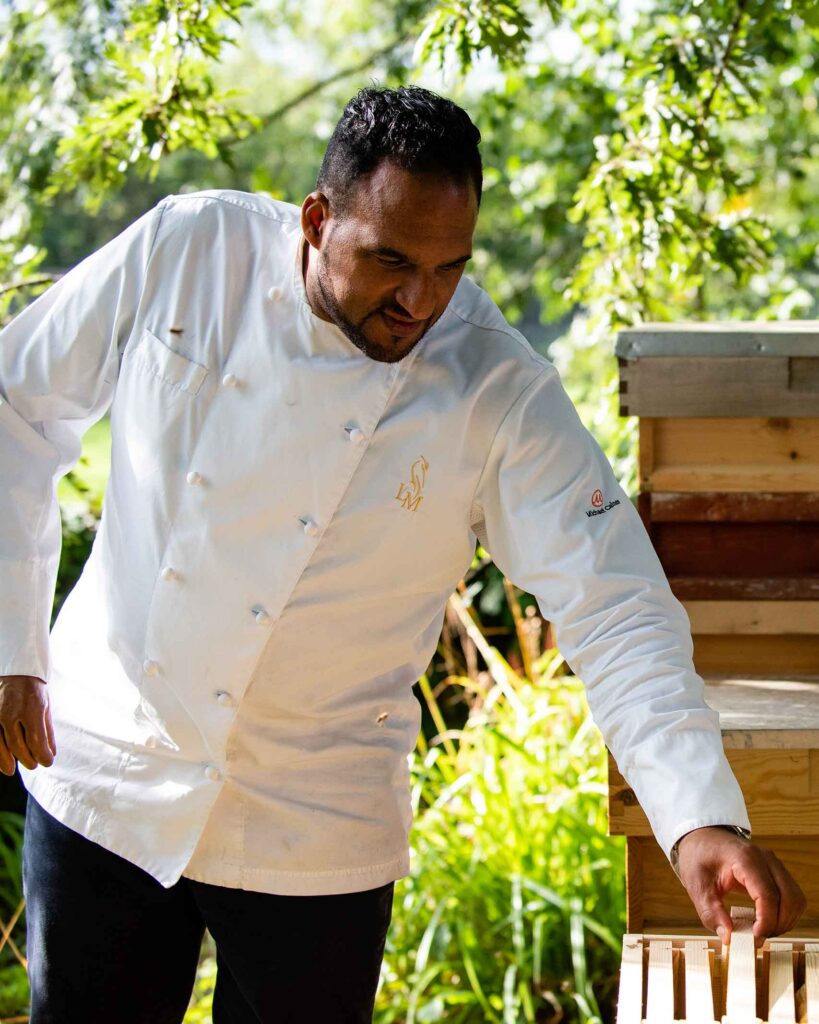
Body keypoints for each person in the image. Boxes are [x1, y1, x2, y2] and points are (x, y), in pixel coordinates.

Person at [0, 85, 805, 1023]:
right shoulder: (188, 250)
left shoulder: (496, 386)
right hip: (110, 772)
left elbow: (614, 605)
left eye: (447, 267)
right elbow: (17, 404)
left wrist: (697, 815)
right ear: (316, 221)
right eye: (389, 260)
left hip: (316, 827)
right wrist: (12, 643)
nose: (420, 300)